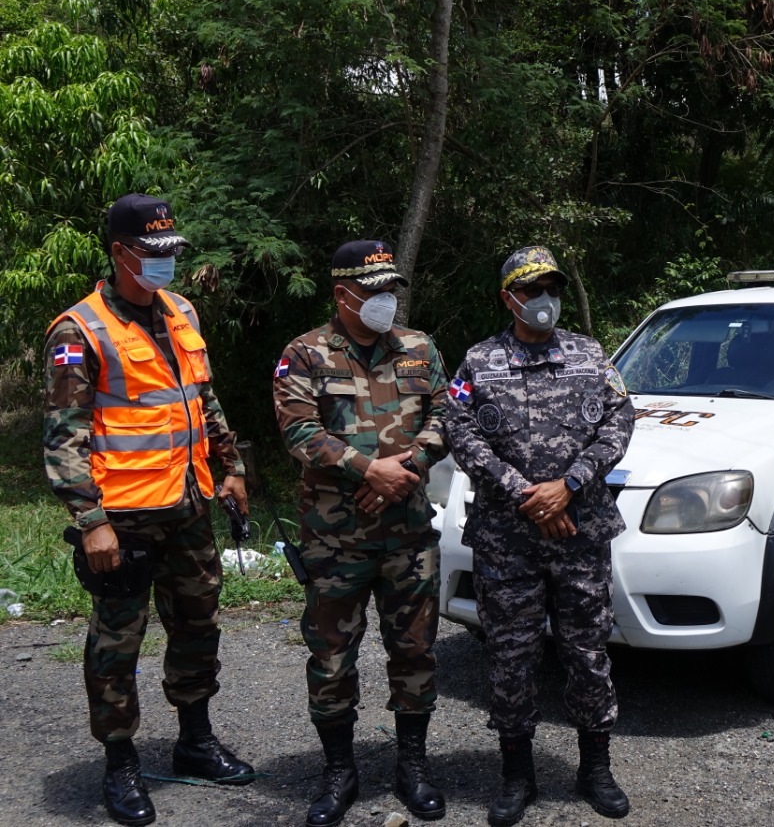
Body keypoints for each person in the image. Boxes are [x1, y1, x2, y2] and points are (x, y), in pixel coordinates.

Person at [44, 193, 255, 826]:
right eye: (152, 254)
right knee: (117, 639)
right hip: (125, 517)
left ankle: (194, 740)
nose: (164, 265)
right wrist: (92, 522)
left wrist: (232, 466)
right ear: (119, 253)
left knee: (197, 626)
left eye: (170, 253)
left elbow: (202, 398)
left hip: (188, 505)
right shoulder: (77, 331)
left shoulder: (181, 310)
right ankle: (121, 762)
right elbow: (63, 437)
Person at [445, 246, 635, 826]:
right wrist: (527, 493)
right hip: (508, 536)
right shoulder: (479, 362)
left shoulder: (589, 354)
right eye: (532, 290)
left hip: (579, 529)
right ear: (509, 298)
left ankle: (595, 768)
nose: (544, 299)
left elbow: (621, 420)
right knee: (511, 655)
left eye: (551, 287)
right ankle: (516, 774)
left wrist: (569, 484)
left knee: (587, 651)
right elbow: (459, 430)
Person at [274, 240, 450, 825]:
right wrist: (366, 468)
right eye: (372, 289)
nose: (384, 299)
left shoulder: (419, 348)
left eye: (389, 289)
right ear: (341, 293)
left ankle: (413, 766)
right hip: (335, 538)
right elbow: (299, 432)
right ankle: (338, 770)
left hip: (408, 534)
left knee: (415, 650)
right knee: (331, 657)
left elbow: (447, 416)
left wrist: (407, 469)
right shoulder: (304, 354)